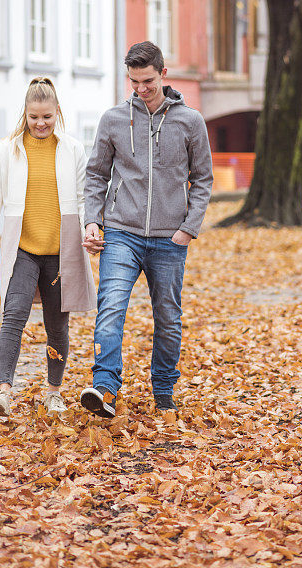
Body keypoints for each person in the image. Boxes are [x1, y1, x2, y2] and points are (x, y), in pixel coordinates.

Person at [80, 41, 213, 418]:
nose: (141, 88)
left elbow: (203, 179)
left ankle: (164, 388)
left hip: (171, 239)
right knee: (110, 309)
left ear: (163, 73)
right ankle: (105, 389)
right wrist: (93, 220)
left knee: (168, 318)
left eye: (148, 80)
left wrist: (188, 228)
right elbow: (96, 175)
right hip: (122, 232)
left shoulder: (191, 122)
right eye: (134, 81)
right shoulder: (113, 120)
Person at [0, 77, 96, 417]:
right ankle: (4, 392)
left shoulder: (72, 150)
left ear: (58, 113)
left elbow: (84, 200)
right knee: (13, 318)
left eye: (47, 117)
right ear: (24, 113)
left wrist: (90, 232)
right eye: (34, 117)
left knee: (58, 325)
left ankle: (53, 392)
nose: (40, 124)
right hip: (23, 250)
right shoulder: (7, 151)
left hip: (60, 253)